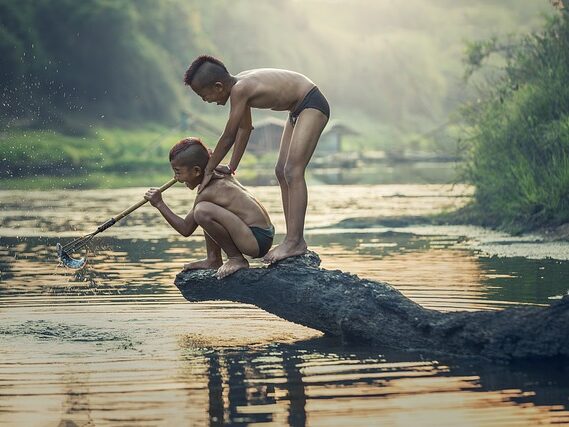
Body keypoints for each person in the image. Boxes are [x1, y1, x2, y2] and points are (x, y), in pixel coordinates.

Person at [183, 55, 330, 263]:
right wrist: (231, 166)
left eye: (204, 95)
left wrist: (208, 169)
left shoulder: (240, 89)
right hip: (297, 110)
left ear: (218, 86)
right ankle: (291, 239)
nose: (206, 101)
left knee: (292, 171)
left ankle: (295, 241)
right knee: (281, 171)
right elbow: (245, 128)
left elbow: (228, 136)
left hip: (310, 103)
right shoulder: (239, 89)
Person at [144, 137, 274, 279]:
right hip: (262, 235)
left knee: (202, 212)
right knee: (206, 211)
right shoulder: (219, 170)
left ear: (197, 171)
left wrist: (159, 204)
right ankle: (213, 259)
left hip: (256, 240)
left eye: (178, 172)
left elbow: (186, 229)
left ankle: (236, 258)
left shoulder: (207, 192)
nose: (176, 178)